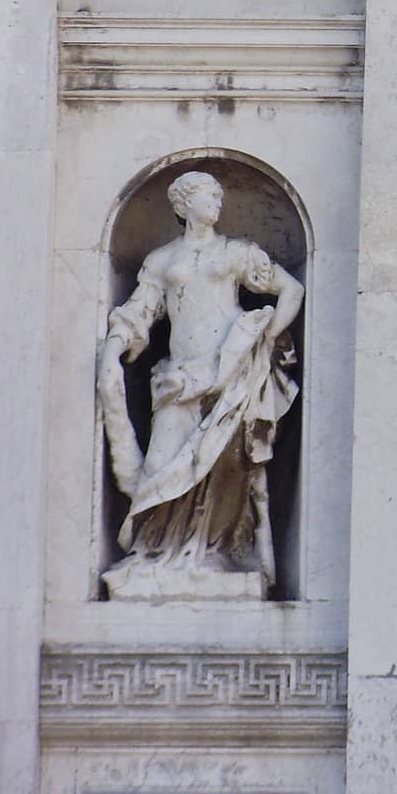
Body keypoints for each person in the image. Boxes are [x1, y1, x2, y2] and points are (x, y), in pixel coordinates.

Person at [96, 170, 304, 599]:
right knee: (163, 464)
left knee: (227, 470)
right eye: (209, 196)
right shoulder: (162, 260)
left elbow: (292, 289)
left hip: (228, 377)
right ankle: (157, 553)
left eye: (219, 196)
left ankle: (215, 554)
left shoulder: (235, 253)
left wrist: (262, 340)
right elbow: (141, 310)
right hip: (178, 377)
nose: (217, 204)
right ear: (184, 204)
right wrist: (115, 345)